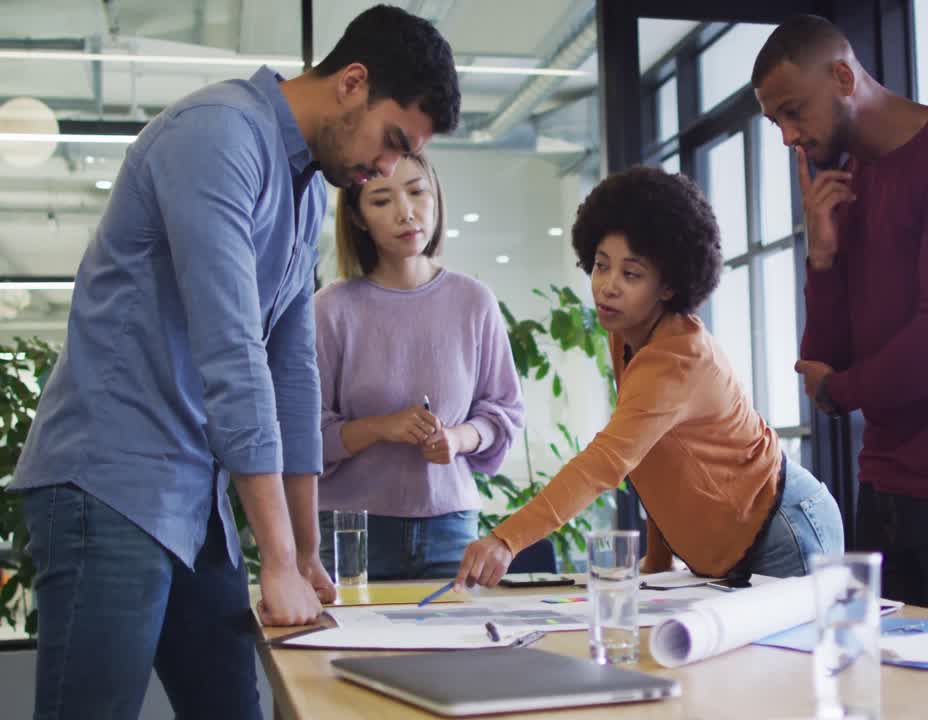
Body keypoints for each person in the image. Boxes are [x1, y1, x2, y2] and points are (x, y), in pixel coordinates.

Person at [6, 5, 459, 718]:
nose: (389, 166)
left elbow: (290, 369)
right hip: (109, 482)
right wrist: (275, 560)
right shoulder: (218, 135)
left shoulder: (306, 188)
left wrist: (305, 551)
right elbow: (231, 350)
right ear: (351, 82)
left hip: (195, 498)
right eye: (393, 139)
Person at [752, 15, 928, 622]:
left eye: (793, 111)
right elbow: (825, 361)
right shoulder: (842, 184)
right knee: (887, 691)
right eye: (775, 120)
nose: (787, 136)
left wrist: (841, 387)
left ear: (841, 76)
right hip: (884, 481)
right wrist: (823, 254)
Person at [454, 166, 844, 589]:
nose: (607, 287)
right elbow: (653, 452)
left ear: (668, 286)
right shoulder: (624, 334)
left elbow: (607, 462)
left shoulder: (678, 356)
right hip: (734, 542)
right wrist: (658, 561)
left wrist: (505, 540)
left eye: (631, 274)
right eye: (601, 266)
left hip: (784, 528)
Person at [315, 149, 523, 581]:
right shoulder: (330, 309)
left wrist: (458, 438)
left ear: (436, 200)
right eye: (381, 200)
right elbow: (304, 436)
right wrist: (380, 427)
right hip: (350, 530)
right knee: (350, 649)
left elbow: (503, 413)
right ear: (357, 218)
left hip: (450, 527)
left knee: (451, 647)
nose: (406, 213)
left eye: (417, 193)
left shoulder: (474, 302)